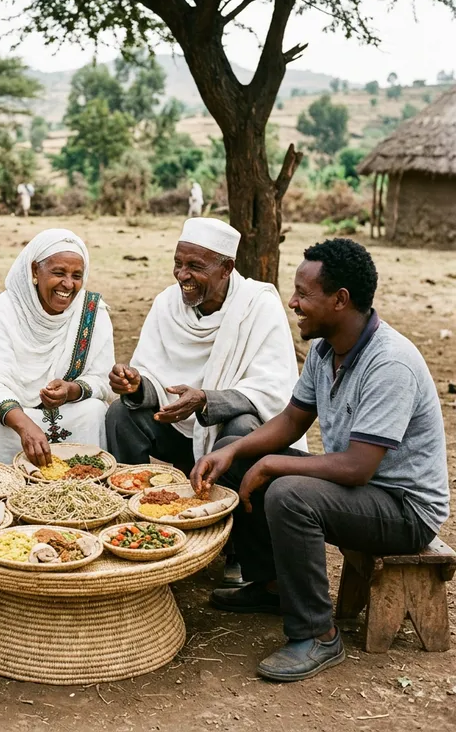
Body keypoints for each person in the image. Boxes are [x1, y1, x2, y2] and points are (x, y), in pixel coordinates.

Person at [191, 239, 449, 683]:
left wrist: (273, 466)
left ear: (340, 299)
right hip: (364, 490)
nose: (292, 303)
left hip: (405, 508)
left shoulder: (390, 363)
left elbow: (357, 468)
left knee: (289, 492)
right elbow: (293, 419)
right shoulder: (327, 348)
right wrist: (231, 450)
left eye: (303, 294)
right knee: (239, 454)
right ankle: (272, 586)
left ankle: (318, 634)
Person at [106, 217, 302, 472]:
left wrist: (206, 400)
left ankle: (228, 497)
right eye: (178, 263)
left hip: (227, 436)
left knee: (243, 425)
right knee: (121, 414)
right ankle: (131, 490)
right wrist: (136, 385)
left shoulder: (259, 306)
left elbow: (271, 391)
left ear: (226, 268)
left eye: (195, 266)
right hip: (175, 428)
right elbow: (153, 376)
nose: (182, 275)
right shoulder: (167, 303)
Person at [0, 228, 116, 465]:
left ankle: (85, 482)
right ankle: (3, 484)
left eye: (77, 275)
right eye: (58, 273)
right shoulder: (6, 307)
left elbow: (103, 379)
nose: (68, 284)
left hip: (68, 410)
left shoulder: (92, 311)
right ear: (35, 270)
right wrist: (24, 425)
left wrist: (71, 390)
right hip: (14, 414)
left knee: (94, 412)